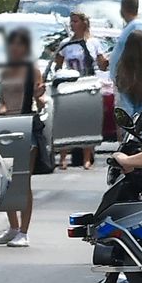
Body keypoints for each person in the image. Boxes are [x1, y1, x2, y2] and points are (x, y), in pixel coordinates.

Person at [0, 28, 46, 248]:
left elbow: (39, 100)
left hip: (26, 126)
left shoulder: (32, 70)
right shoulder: (4, 71)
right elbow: (4, 102)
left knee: (23, 180)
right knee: (5, 179)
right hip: (6, 127)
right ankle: (12, 226)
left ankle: (24, 230)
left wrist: (39, 97)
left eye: (18, 45)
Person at [51, 11, 107, 169]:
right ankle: (63, 157)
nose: (72, 24)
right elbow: (58, 64)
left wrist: (107, 62)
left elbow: (102, 63)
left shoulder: (93, 42)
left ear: (83, 23)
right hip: (69, 84)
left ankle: (87, 158)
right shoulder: (66, 43)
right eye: (71, 21)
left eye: (75, 21)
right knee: (65, 120)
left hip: (87, 83)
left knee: (87, 120)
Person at [107, 0, 142, 83]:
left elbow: (139, 53)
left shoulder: (137, 26)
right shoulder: (130, 27)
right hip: (123, 81)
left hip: (131, 81)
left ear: (122, 9)